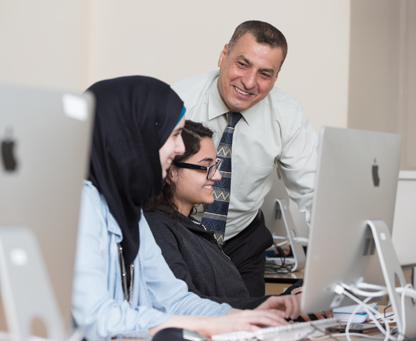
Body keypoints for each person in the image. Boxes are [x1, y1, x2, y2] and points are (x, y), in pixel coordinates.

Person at [71, 76, 300, 341]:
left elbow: (175, 301)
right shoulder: (82, 204)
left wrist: (237, 317)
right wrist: (211, 326)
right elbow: (98, 318)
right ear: (135, 136)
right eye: (173, 135)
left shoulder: (130, 213)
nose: (179, 148)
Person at [171, 20, 318, 297]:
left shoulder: (286, 115)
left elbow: (316, 194)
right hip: (180, 236)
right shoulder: (178, 101)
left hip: (241, 242)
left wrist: (330, 268)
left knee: (252, 329)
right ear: (223, 55)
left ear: (276, 78)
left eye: (265, 73)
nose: (250, 82)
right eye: (242, 64)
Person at [144, 120, 305, 312]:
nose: (218, 176)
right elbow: (186, 305)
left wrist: (291, 297)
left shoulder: (190, 227)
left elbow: (229, 301)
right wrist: (274, 305)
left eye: (216, 165)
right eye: (207, 166)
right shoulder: (156, 229)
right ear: (171, 171)